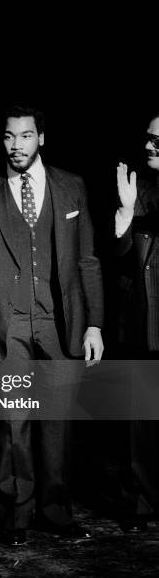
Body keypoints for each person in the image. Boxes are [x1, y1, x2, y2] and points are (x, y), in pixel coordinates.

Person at [0, 105, 104, 545]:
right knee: (13, 423)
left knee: (57, 423)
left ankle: (56, 512)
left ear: (42, 137)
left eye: (25, 136)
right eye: (9, 136)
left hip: (59, 322)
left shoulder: (71, 185)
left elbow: (87, 260)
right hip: (7, 324)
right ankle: (16, 517)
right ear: (1, 140)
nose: (17, 144)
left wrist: (94, 324)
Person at [114, 112, 159, 531]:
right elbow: (120, 259)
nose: (149, 147)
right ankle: (141, 503)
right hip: (145, 322)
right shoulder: (136, 187)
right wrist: (126, 217)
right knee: (142, 421)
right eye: (148, 139)